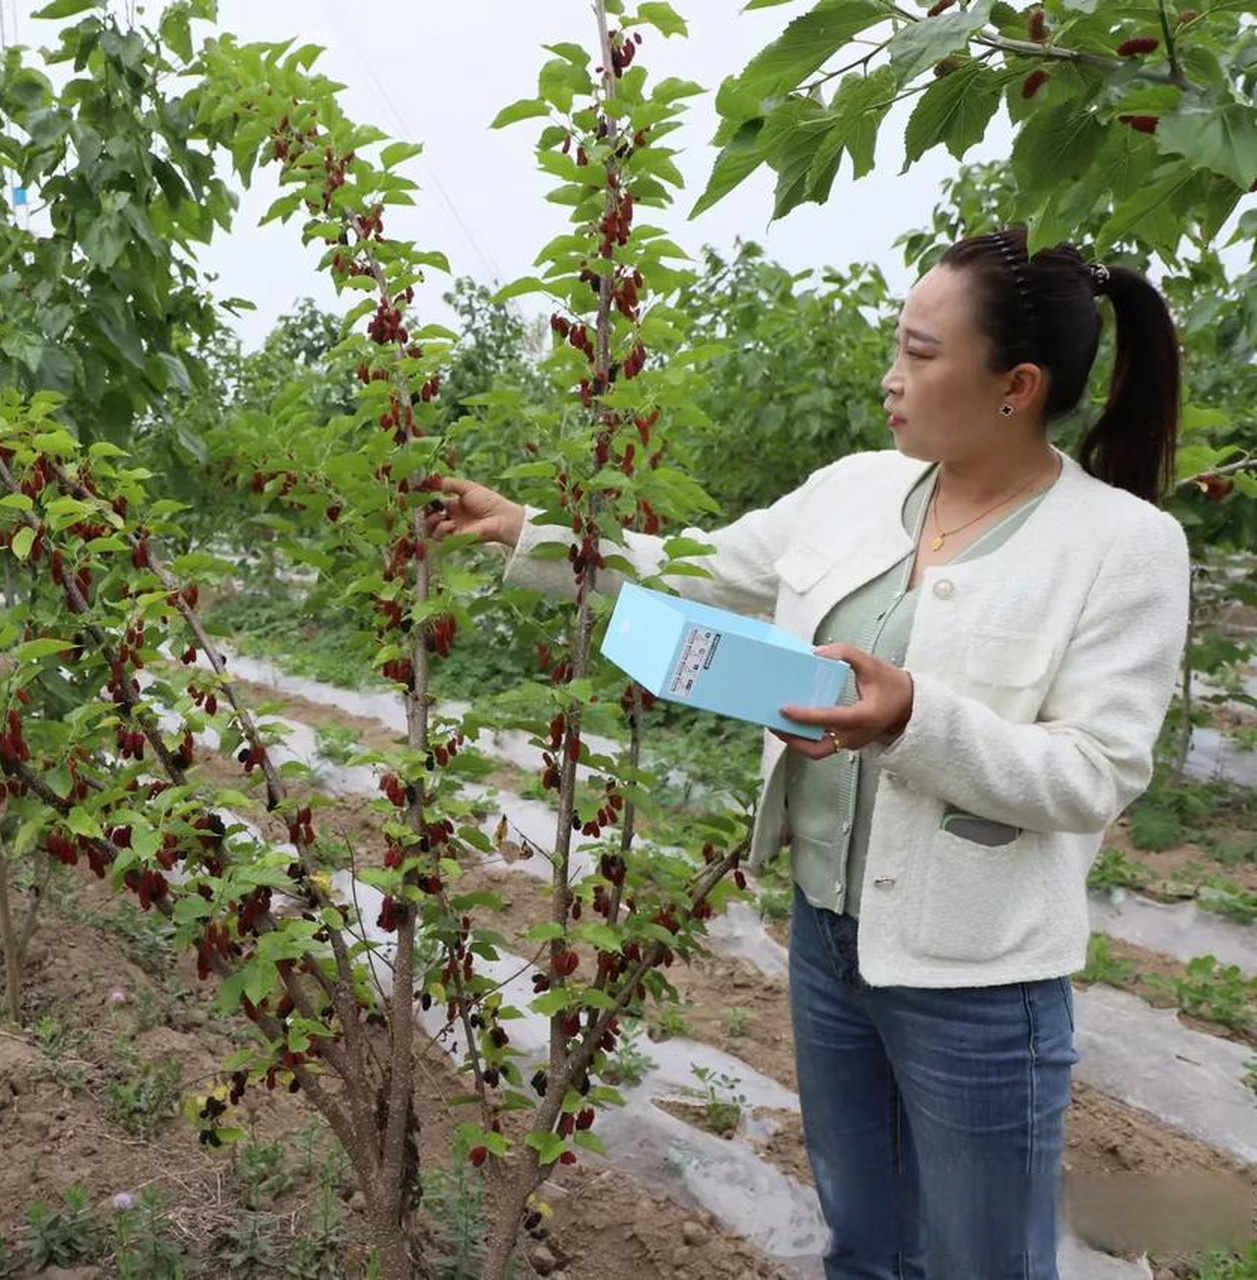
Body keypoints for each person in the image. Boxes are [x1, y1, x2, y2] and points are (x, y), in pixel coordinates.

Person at [426, 227, 1190, 1278]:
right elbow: (693, 572)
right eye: (896, 345)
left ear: (1014, 383)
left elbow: (1094, 771)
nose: (892, 377)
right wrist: (534, 533)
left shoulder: (1121, 547)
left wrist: (912, 717)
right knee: (864, 1242)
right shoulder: (856, 487)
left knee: (983, 1261)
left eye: (921, 354)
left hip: (976, 977)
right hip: (829, 939)